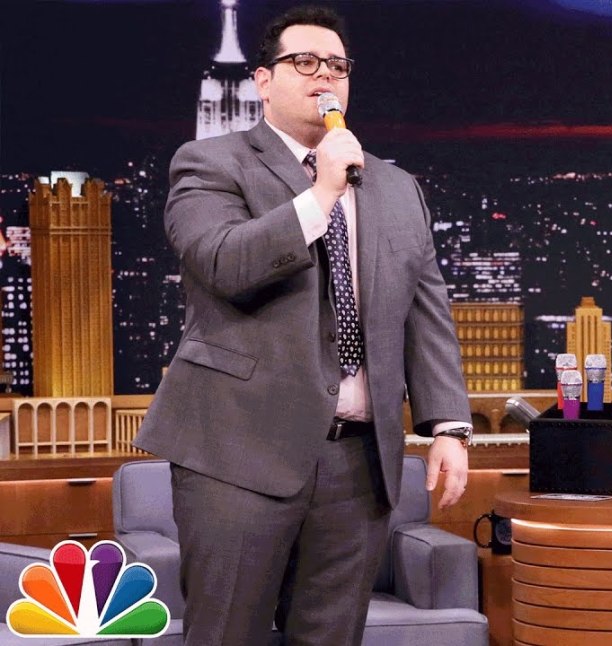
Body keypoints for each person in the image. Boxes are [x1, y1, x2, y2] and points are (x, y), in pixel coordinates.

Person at [133, 6, 473, 644]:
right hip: (237, 452)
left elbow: (425, 311)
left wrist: (448, 426)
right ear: (263, 81)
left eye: (338, 66)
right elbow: (223, 263)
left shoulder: (397, 187)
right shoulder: (210, 163)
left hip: (358, 463)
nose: (325, 76)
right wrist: (320, 195)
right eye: (305, 62)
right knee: (227, 633)